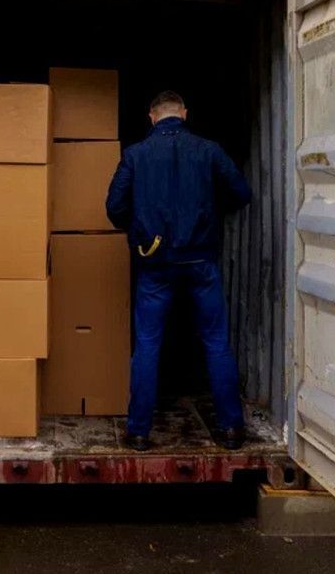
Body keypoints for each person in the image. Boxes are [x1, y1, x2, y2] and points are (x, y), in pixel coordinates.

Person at [105, 90, 251, 452]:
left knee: (148, 345)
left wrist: (140, 231)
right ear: (184, 114)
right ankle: (232, 429)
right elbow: (240, 193)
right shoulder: (209, 150)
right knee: (216, 343)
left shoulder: (136, 155)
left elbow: (114, 207)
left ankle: (139, 432)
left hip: (155, 264)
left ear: (152, 117)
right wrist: (209, 211)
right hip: (201, 261)